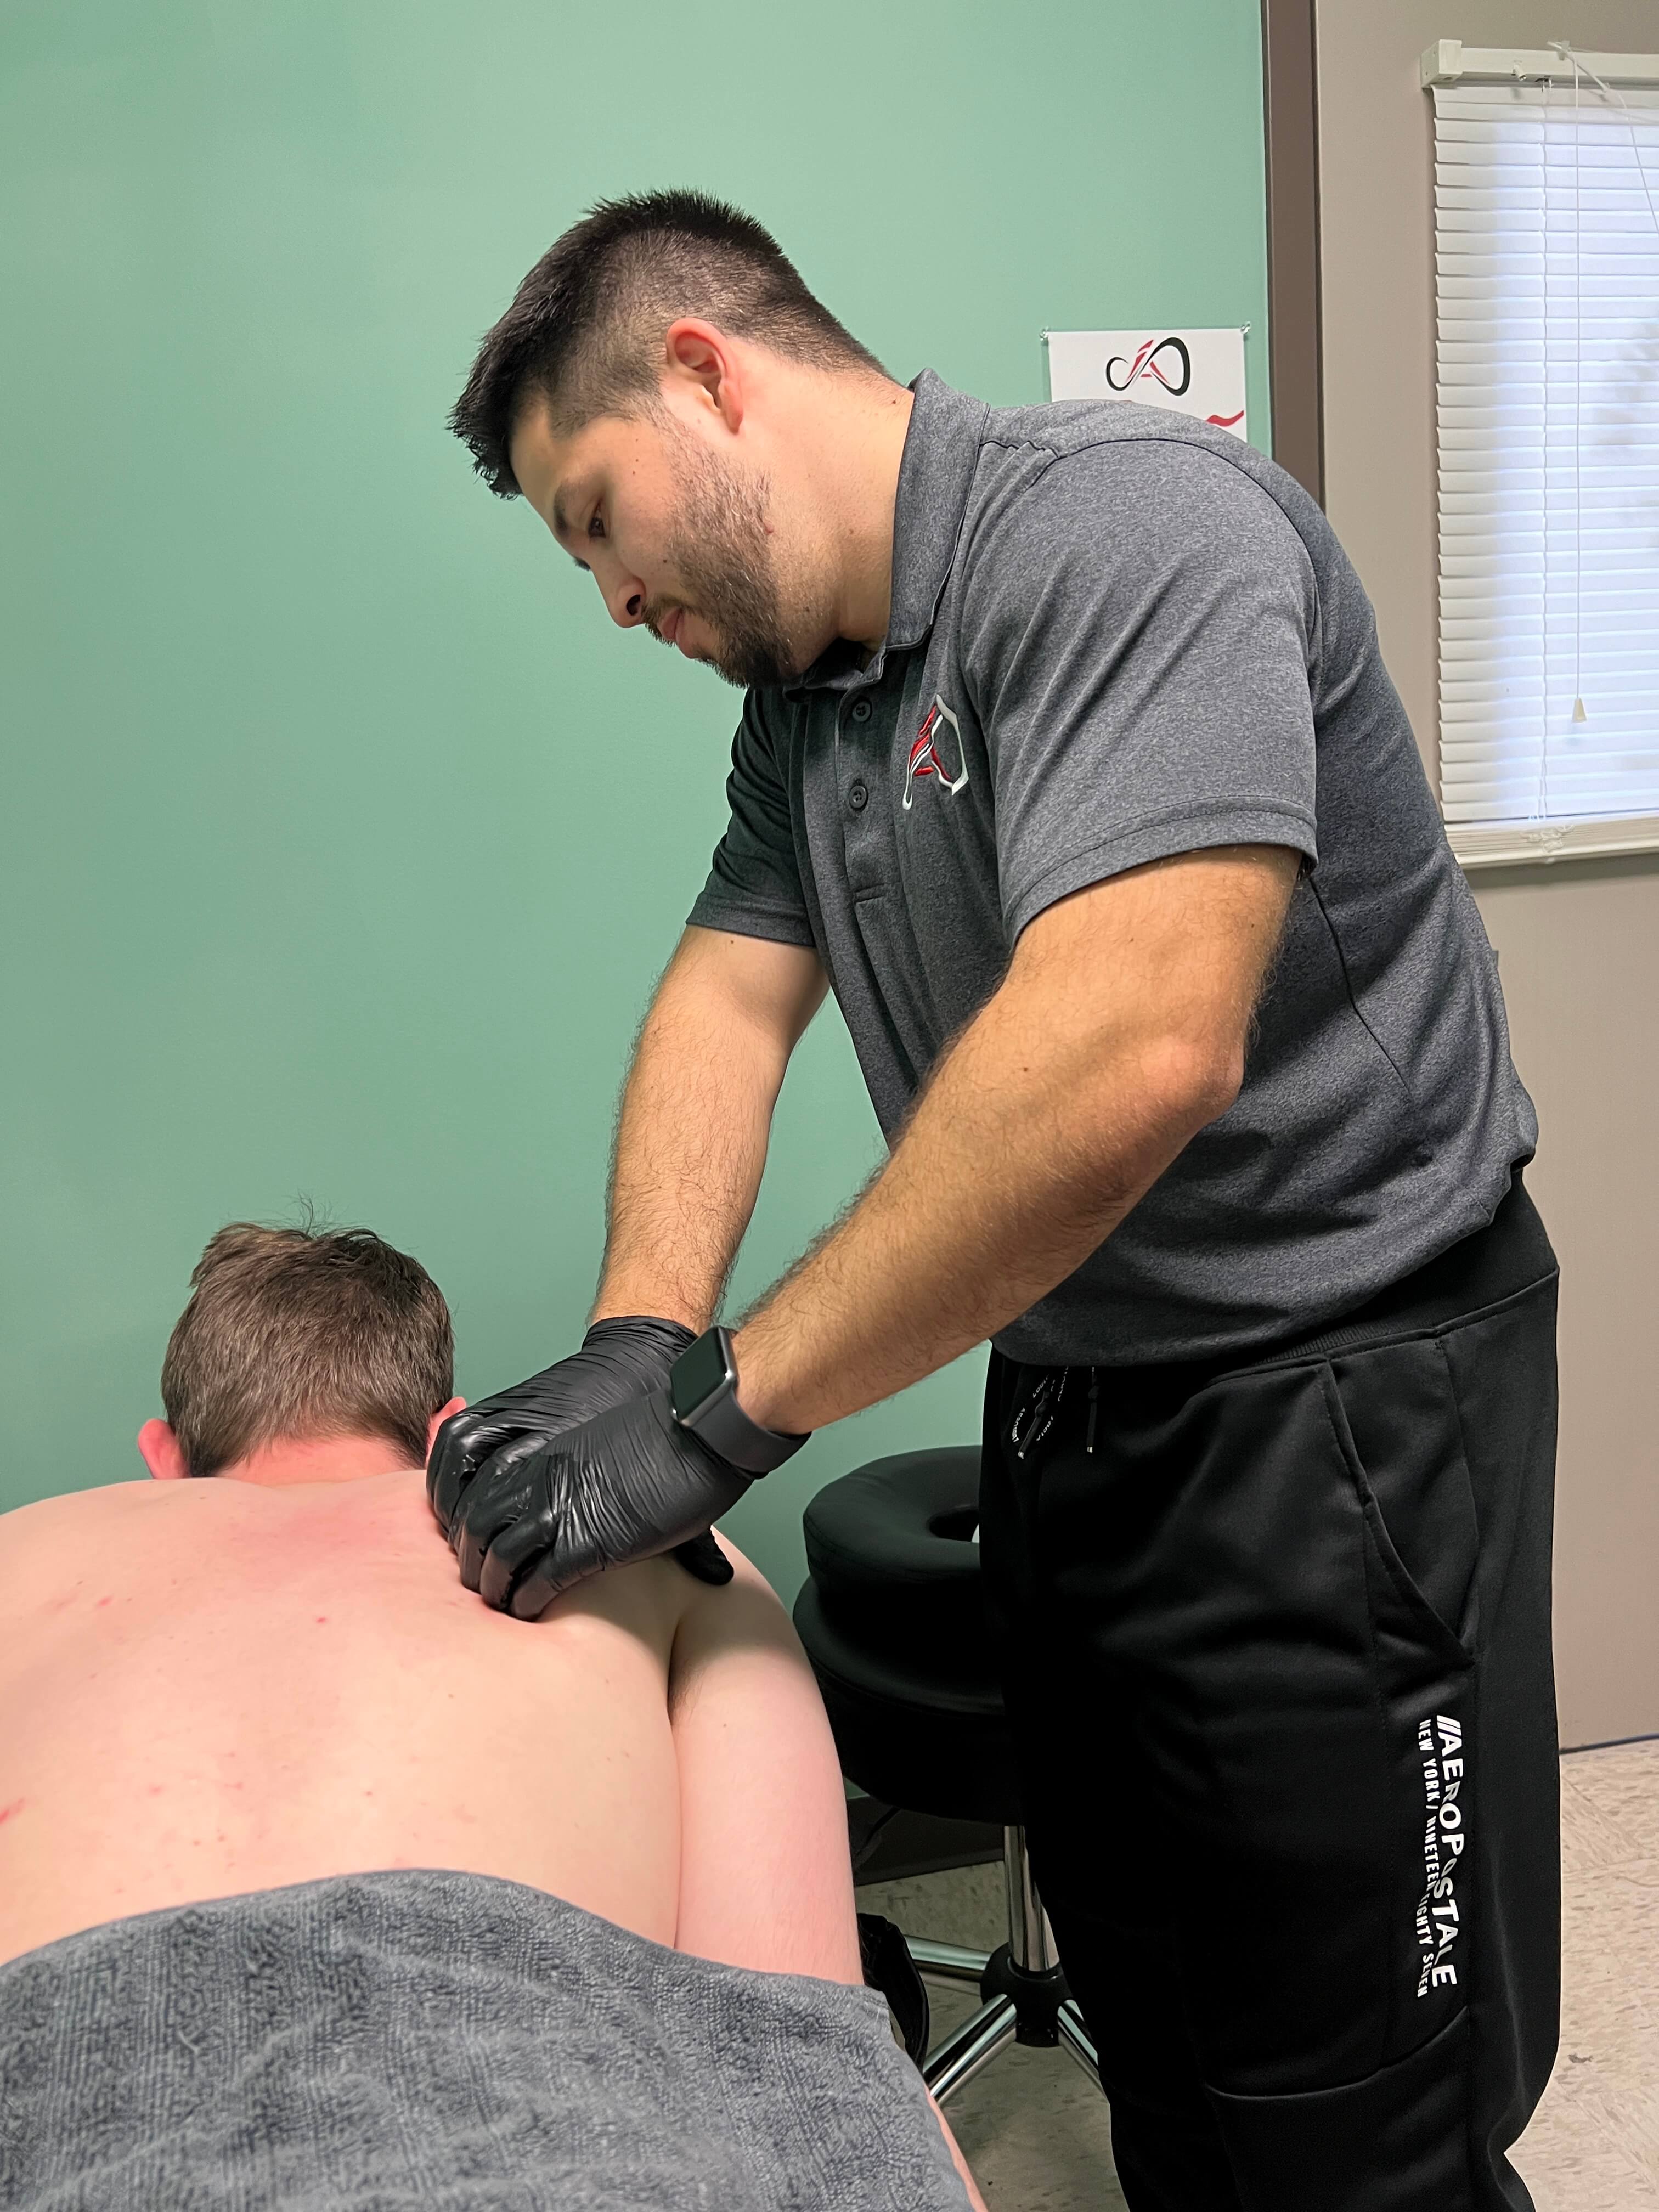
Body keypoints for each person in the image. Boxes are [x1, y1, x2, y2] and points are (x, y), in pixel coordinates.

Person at [433, 189, 1560, 2212]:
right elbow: (722, 995)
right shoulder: (813, 698)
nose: (603, 597)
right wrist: (634, 1338)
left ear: (705, 375)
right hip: (1078, 1395)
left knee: (1361, 2114)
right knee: (1168, 2032)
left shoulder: (1120, 532)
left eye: (592, 516)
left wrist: (724, 1413)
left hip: (1338, 1410)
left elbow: (1139, 1045)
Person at [0, 1221, 981, 2212]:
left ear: (159, 1459)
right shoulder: (656, 1548)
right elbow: (806, 2060)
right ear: (451, 1430)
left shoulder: (23, 1559)